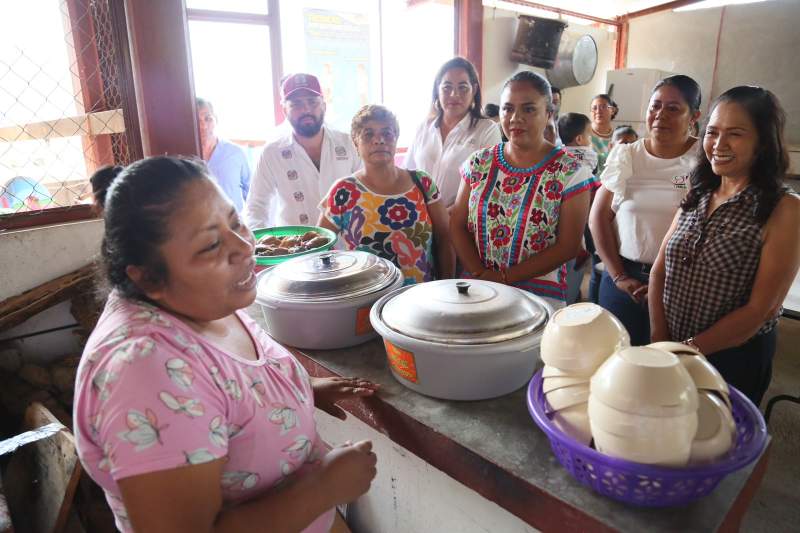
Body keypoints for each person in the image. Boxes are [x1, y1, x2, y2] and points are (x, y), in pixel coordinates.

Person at [74, 157, 378, 532]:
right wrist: (322, 489)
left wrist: (302, 391)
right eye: (211, 245)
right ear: (150, 277)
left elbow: (219, 392)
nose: (244, 246)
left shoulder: (196, 300)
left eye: (235, 222)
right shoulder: (144, 372)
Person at [649, 86, 800, 406]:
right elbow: (659, 271)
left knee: (717, 444)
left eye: (735, 134)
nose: (718, 144)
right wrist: (661, 340)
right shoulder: (699, 194)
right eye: (713, 132)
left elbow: (762, 310)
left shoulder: (784, 209)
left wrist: (686, 350)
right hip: (673, 346)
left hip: (733, 360)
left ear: (762, 142)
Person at [450, 71, 595, 308]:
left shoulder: (570, 171)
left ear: (549, 114)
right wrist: (480, 275)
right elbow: (457, 223)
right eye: (507, 109)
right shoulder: (479, 163)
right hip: (479, 290)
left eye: (528, 109)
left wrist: (503, 278)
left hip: (538, 297)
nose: (515, 118)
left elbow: (568, 246)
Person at [588, 75, 702, 345]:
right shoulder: (627, 155)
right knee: (617, 359)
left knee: (669, 365)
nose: (660, 115)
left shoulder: (704, 159)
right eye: (655, 106)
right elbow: (598, 218)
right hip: (625, 281)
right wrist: (618, 276)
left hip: (681, 284)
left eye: (673, 108)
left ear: (694, 115)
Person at [319, 105, 454, 284]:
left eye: (387, 133)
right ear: (355, 142)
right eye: (368, 134)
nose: (379, 140)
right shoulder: (344, 191)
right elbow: (320, 249)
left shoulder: (422, 183)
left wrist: (447, 287)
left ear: (396, 138)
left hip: (422, 300)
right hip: (366, 305)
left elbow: (445, 239)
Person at [245, 73, 361, 228]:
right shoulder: (271, 153)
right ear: (285, 110)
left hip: (346, 247)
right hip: (296, 248)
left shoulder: (349, 144)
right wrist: (261, 246)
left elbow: (367, 191)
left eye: (312, 102)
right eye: (296, 104)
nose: (306, 109)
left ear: (324, 106)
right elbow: (256, 207)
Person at [404, 57, 501, 208]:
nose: (454, 94)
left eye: (463, 87)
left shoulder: (487, 130)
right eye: (447, 87)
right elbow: (406, 175)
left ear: (474, 89)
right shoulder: (423, 128)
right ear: (437, 89)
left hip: (458, 223)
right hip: (418, 220)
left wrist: (443, 218)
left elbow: (486, 190)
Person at [558, 112, 599, 304]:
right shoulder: (590, 155)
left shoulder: (556, 154)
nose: (590, 140)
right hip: (584, 203)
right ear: (580, 139)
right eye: (590, 135)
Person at [197, 98, 251, 212]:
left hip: (233, 225)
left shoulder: (236, 153)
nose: (203, 126)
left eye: (208, 119)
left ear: (216, 120)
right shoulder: (183, 156)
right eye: (197, 120)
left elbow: (252, 194)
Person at [589, 94, 619, 175]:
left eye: (603, 107)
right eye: (594, 108)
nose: (598, 111)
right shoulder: (582, 135)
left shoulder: (619, 137)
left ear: (612, 110)